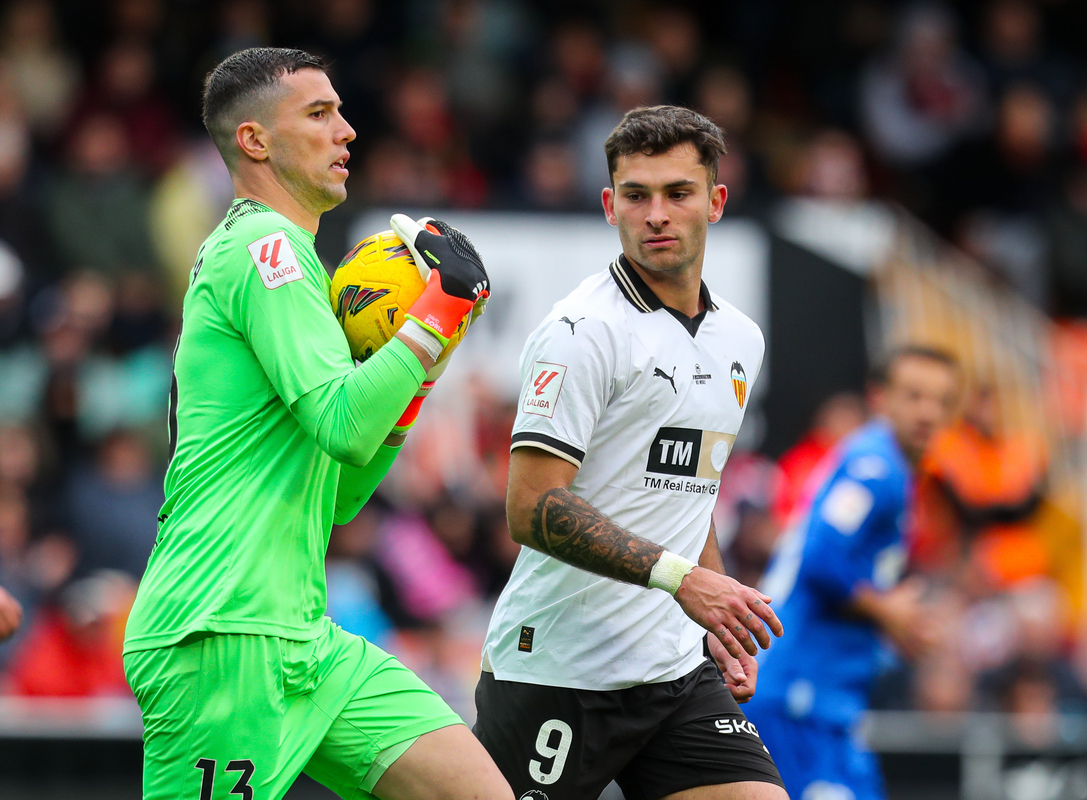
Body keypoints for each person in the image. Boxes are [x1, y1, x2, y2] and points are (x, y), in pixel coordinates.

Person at [120, 48, 509, 800]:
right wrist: (435, 316)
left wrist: (421, 367)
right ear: (255, 143)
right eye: (319, 113)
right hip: (219, 634)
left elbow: (339, 496)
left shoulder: (289, 262)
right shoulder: (263, 251)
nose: (348, 131)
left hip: (306, 638)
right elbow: (344, 424)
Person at [474, 105, 787, 800]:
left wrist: (721, 620)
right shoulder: (581, 332)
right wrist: (683, 581)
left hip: (675, 675)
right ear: (611, 205)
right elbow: (530, 509)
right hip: (557, 672)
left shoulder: (742, 338)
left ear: (716, 201)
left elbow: (686, 491)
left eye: (678, 193)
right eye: (638, 196)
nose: (657, 214)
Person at [744, 346, 960, 800]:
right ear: (879, 397)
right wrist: (888, 612)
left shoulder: (889, 467)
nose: (928, 412)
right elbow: (821, 558)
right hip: (799, 695)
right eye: (914, 395)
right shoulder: (876, 468)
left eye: (941, 401)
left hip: (825, 701)